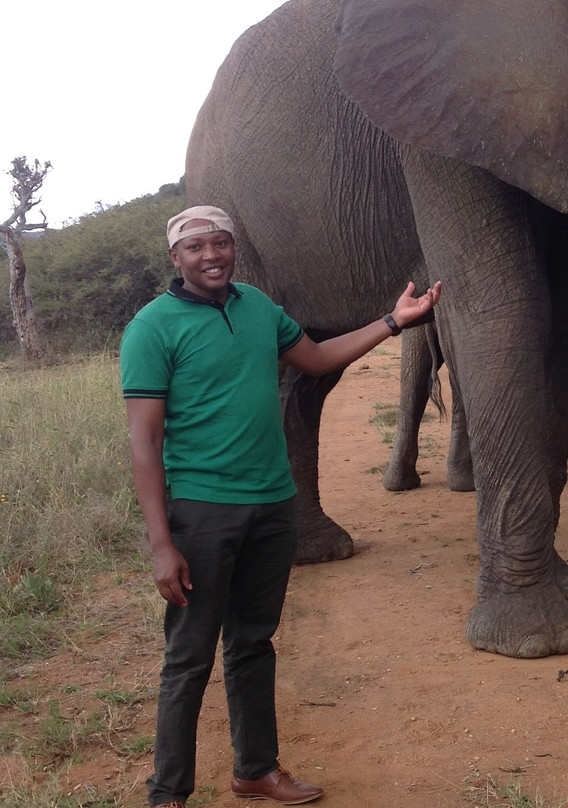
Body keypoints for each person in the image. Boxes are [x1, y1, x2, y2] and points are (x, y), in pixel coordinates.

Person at [120, 205, 441, 807]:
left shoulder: (259, 308)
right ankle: (167, 794)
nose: (211, 255)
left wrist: (393, 322)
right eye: (196, 247)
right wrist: (162, 543)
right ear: (175, 257)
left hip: (272, 504)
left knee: (253, 642)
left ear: (233, 247)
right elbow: (145, 442)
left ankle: (256, 770)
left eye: (220, 243)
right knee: (189, 658)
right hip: (202, 512)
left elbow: (317, 359)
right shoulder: (151, 328)